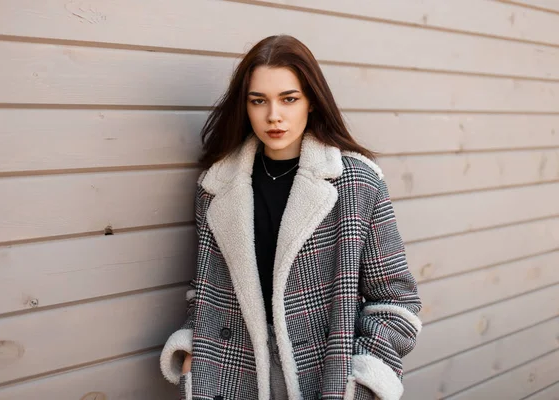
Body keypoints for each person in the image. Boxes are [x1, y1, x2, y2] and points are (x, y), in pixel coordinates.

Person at [160, 35, 422, 400]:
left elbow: (396, 300)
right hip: (233, 374)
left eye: (288, 98)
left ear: (311, 101)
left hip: (325, 376)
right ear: (245, 106)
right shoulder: (217, 186)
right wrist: (192, 355)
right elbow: (206, 291)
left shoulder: (357, 183)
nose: (273, 116)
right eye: (258, 101)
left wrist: (362, 380)